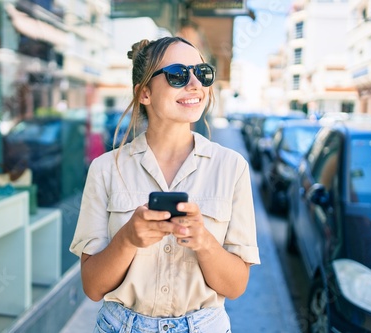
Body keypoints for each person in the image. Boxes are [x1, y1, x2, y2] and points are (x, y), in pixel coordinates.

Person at [70, 36, 260, 333]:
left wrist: (204, 242)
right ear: (144, 92)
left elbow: (236, 286)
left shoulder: (232, 167)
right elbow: (93, 287)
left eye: (202, 73)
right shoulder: (106, 169)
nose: (195, 84)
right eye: (178, 75)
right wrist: (128, 238)